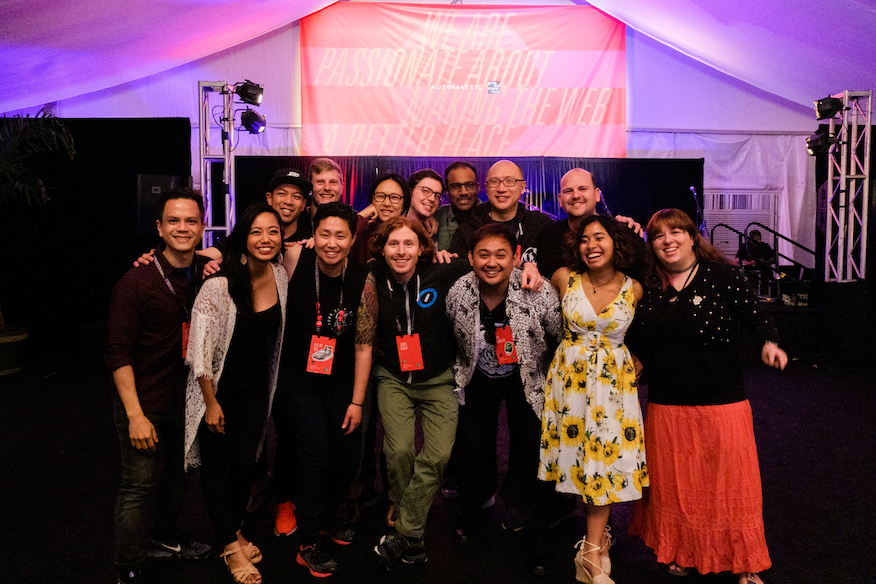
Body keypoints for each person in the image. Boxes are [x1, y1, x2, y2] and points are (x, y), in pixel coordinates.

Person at [628, 208, 788, 584]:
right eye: (659, 235)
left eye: (676, 232)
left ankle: (745, 562)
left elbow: (757, 318)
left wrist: (769, 343)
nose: (669, 240)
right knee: (677, 488)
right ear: (652, 245)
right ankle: (682, 551)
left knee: (731, 486)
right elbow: (639, 339)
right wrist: (636, 360)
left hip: (723, 403)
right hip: (667, 406)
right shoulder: (649, 287)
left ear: (692, 236)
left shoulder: (723, 276)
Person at [106, 188, 212, 584]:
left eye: (190, 221)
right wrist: (134, 415)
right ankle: (128, 567)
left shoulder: (207, 273)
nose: (182, 228)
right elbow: (118, 354)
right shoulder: (135, 282)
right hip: (145, 400)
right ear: (159, 227)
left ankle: (163, 540)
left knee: (180, 475)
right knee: (138, 485)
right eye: (173, 221)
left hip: (186, 401)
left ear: (203, 227)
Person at [446, 223, 562, 574]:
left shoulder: (537, 292)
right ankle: (474, 506)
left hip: (526, 376)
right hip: (477, 375)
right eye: (483, 255)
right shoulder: (459, 291)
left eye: (501, 255)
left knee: (531, 447)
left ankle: (534, 521)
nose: (491, 262)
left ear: (516, 257)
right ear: (470, 258)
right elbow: (451, 332)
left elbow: (559, 335)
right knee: (473, 447)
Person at [538, 215, 647, 584]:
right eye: (584, 239)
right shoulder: (562, 278)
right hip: (570, 383)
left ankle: (590, 550)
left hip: (613, 385)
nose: (591, 245)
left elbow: (650, 331)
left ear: (617, 243)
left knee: (603, 459)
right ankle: (597, 542)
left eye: (599, 238)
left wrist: (639, 355)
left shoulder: (634, 288)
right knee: (580, 461)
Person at [183, 203, 287, 584]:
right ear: (243, 237)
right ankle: (229, 544)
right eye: (256, 231)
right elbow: (199, 350)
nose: (265, 239)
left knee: (247, 464)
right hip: (218, 390)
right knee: (217, 467)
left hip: (256, 390)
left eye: (273, 231)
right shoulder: (219, 285)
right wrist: (210, 403)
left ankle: (236, 527)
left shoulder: (279, 275)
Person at [275, 202, 376, 578]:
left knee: (348, 454)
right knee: (315, 452)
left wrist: (357, 400)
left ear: (352, 240)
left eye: (341, 236)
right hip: (297, 379)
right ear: (312, 235)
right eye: (324, 234)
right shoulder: (294, 258)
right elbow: (246, 250)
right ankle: (308, 542)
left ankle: (326, 518)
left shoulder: (363, 277)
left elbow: (364, 343)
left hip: (341, 380)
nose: (331, 243)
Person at [365, 217, 470, 569]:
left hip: (438, 377)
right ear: (382, 248)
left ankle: (405, 531)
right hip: (393, 376)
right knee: (398, 451)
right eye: (393, 244)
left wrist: (526, 266)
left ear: (423, 247)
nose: (401, 251)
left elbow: (490, 262)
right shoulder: (372, 274)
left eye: (409, 244)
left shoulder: (444, 269)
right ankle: (410, 527)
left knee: (438, 455)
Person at [535, 168, 645, 280]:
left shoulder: (622, 232)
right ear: (560, 200)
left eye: (583, 189)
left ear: (597, 194)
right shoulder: (549, 236)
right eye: (568, 191)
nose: (576, 195)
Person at [448, 159, 552, 264]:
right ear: (487, 188)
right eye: (494, 181)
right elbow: (458, 275)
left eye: (509, 181)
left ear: (522, 187)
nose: (501, 188)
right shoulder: (467, 229)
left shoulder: (541, 225)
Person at [350, 172, 411, 264]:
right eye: (380, 196)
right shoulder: (363, 233)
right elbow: (343, 244)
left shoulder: (411, 234)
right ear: (372, 200)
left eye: (394, 197)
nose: (386, 203)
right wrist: (362, 216)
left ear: (404, 204)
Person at [435, 161, 481, 251]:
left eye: (469, 185)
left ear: (477, 187)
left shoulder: (490, 215)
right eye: (456, 186)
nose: (463, 192)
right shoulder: (436, 216)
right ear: (447, 190)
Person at [406, 169, 444, 240]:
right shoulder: (394, 225)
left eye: (437, 195)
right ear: (411, 191)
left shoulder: (436, 229)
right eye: (426, 191)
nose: (432, 199)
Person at [736, 229, 775, 296]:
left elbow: (773, 258)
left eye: (760, 239)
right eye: (756, 240)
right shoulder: (744, 246)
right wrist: (748, 263)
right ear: (751, 239)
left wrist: (765, 261)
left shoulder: (765, 246)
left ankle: (766, 293)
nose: (759, 241)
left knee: (768, 274)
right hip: (749, 270)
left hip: (764, 269)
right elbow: (737, 259)